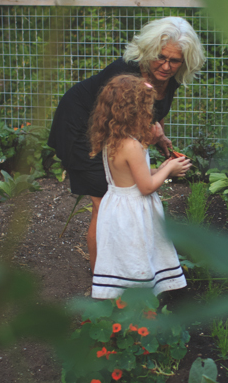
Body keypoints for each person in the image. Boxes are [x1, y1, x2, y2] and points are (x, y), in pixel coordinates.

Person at [48, 16, 205, 269]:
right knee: (105, 205)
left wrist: (160, 136)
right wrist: (148, 142)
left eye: (174, 60)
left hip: (114, 131)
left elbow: (155, 112)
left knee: (116, 201)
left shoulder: (170, 78)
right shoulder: (125, 74)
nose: (166, 66)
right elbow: (115, 128)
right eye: (160, 57)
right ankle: (102, 277)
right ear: (148, 51)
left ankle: (120, 268)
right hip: (81, 125)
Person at [87, 75, 191, 298]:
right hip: (133, 213)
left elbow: (133, 176)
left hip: (117, 207)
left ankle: (120, 299)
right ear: (134, 111)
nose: (150, 114)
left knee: (123, 257)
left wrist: (161, 168)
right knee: (137, 255)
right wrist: (169, 169)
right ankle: (141, 303)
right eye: (147, 108)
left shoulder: (114, 139)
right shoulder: (132, 146)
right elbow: (145, 186)